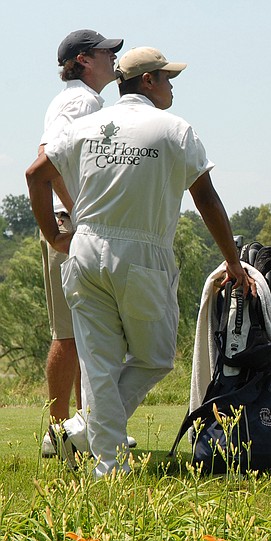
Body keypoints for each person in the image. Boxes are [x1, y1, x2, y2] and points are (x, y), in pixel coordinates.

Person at [26, 46, 255, 477]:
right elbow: (205, 197)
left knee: (100, 362)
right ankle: (89, 434)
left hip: (86, 250)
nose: (171, 86)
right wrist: (233, 262)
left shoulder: (86, 125)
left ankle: (105, 462)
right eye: (166, 78)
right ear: (147, 81)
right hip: (142, 252)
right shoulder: (174, 129)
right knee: (155, 357)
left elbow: (35, 173)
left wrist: (55, 235)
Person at [37, 29, 139, 458]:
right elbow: (47, 159)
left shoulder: (80, 98)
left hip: (72, 223)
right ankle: (60, 434)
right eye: (106, 53)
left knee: (85, 334)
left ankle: (84, 428)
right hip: (72, 225)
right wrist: (77, 212)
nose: (113, 59)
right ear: (83, 60)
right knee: (71, 335)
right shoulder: (83, 100)